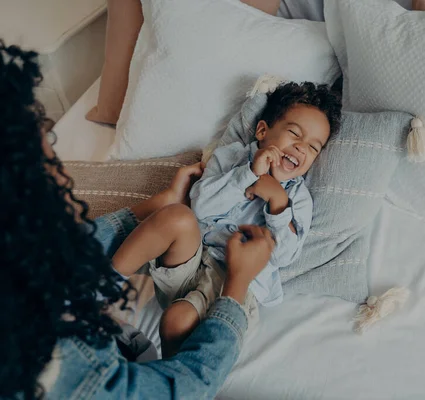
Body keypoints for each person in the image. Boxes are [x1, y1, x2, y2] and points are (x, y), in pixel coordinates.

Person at [0, 41, 275, 399]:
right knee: (177, 318)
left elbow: (61, 254)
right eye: (51, 169)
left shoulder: (20, 266)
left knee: (173, 221)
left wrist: (153, 206)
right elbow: (180, 389)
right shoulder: (56, 364)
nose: (65, 179)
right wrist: (236, 287)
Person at [111, 82, 342, 356]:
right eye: (294, 133)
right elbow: (201, 208)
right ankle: (101, 287)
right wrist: (249, 174)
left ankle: (172, 369)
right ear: (262, 131)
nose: (301, 148)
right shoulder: (232, 158)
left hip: (232, 286)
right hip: (188, 261)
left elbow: (283, 257)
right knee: (176, 216)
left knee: (177, 319)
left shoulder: (298, 200)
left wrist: (278, 203)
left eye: (314, 147)